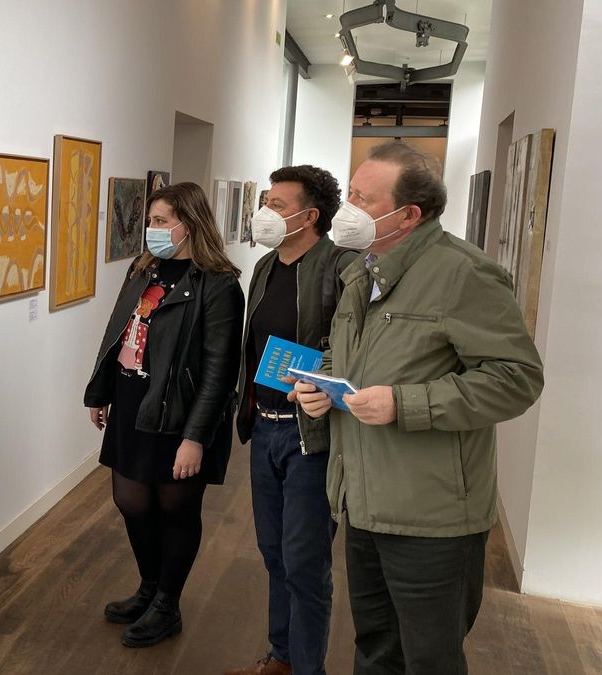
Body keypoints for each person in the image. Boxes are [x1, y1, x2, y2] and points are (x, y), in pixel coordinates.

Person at [290, 142, 544, 674]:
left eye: (363, 197)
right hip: (362, 498)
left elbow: (517, 379)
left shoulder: (464, 274)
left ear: (408, 215)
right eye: (350, 191)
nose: (348, 208)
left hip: (432, 518)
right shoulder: (364, 268)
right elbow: (354, 358)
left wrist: (406, 404)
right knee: (376, 647)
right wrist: (321, 385)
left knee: (429, 658)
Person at [84, 182, 244, 648]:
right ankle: (148, 588)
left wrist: (196, 436)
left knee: (175, 507)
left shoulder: (218, 284)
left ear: (189, 224)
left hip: (180, 412)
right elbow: (117, 335)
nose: (151, 230)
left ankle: (167, 604)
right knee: (131, 501)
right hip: (134, 404)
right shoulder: (142, 270)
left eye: (160, 221)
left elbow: (219, 371)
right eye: (150, 220)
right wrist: (101, 392)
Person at [226, 166, 356, 675]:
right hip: (265, 426)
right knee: (273, 552)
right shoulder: (264, 267)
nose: (266, 212)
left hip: (311, 434)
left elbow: (353, 349)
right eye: (266, 200)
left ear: (310, 216)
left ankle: (307, 668)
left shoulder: (341, 268)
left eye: (278, 205)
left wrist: (317, 371)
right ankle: (281, 656)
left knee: (305, 563)